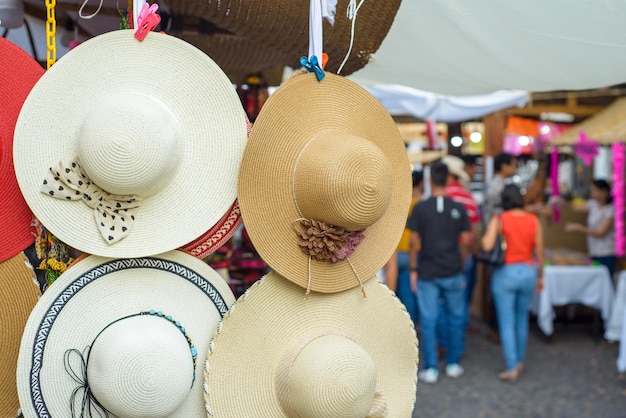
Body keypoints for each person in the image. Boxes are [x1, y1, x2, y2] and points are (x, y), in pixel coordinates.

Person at [408, 161, 471, 383]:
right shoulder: (458, 207)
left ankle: (431, 367)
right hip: (453, 270)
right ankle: (453, 363)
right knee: (456, 317)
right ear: (449, 179)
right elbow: (465, 241)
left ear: (430, 180)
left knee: (428, 319)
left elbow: (414, 242)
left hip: (427, 271)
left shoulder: (421, 208)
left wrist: (414, 269)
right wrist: (461, 264)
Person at [481, 184, 544, 382]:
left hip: (505, 273)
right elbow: (540, 252)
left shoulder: (500, 219)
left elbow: (486, 245)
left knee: (506, 322)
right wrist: (541, 276)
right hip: (527, 272)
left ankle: (511, 367)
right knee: (521, 318)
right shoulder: (533, 220)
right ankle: (519, 361)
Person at [441, 155, 482, 353]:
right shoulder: (469, 198)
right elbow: (473, 230)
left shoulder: (440, 196)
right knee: (461, 300)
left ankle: (442, 343)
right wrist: (472, 252)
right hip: (463, 253)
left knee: (441, 299)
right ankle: (457, 346)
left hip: (441, 253)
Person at [384, 171, 423, 324]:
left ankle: (395, 322)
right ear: (421, 183)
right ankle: (410, 326)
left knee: (396, 292)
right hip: (414, 253)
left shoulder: (399, 202)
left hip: (395, 252)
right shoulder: (421, 204)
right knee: (409, 294)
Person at [564, 179, 616, 278]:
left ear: (604, 192)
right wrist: (562, 202)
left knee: (605, 283)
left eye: (595, 190)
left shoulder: (610, 210)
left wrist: (578, 227)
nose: (592, 193)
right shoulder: (593, 204)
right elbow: (574, 207)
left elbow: (601, 232)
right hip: (593, 251)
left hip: (606, 253)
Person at [482, 152, 517, 225]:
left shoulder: (497, 182)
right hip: (495, 226)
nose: (515, 169)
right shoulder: (497, 185)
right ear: (504, 166)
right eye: (513, 165)